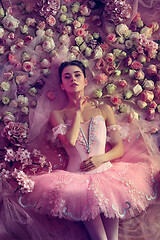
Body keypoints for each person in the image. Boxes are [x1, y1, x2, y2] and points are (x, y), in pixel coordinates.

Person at [20, 60, 158, 240]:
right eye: (67, 77)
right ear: (62, 85)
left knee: (113, 238)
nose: (73, 79)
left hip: (108, 176)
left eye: (77, 75)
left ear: (85, 80)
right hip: (78, 180)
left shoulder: (103, 109)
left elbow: (119, 149)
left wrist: (101, 159)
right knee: (99, 238)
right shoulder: (57, 115)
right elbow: (69, 142)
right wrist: (77, 112)